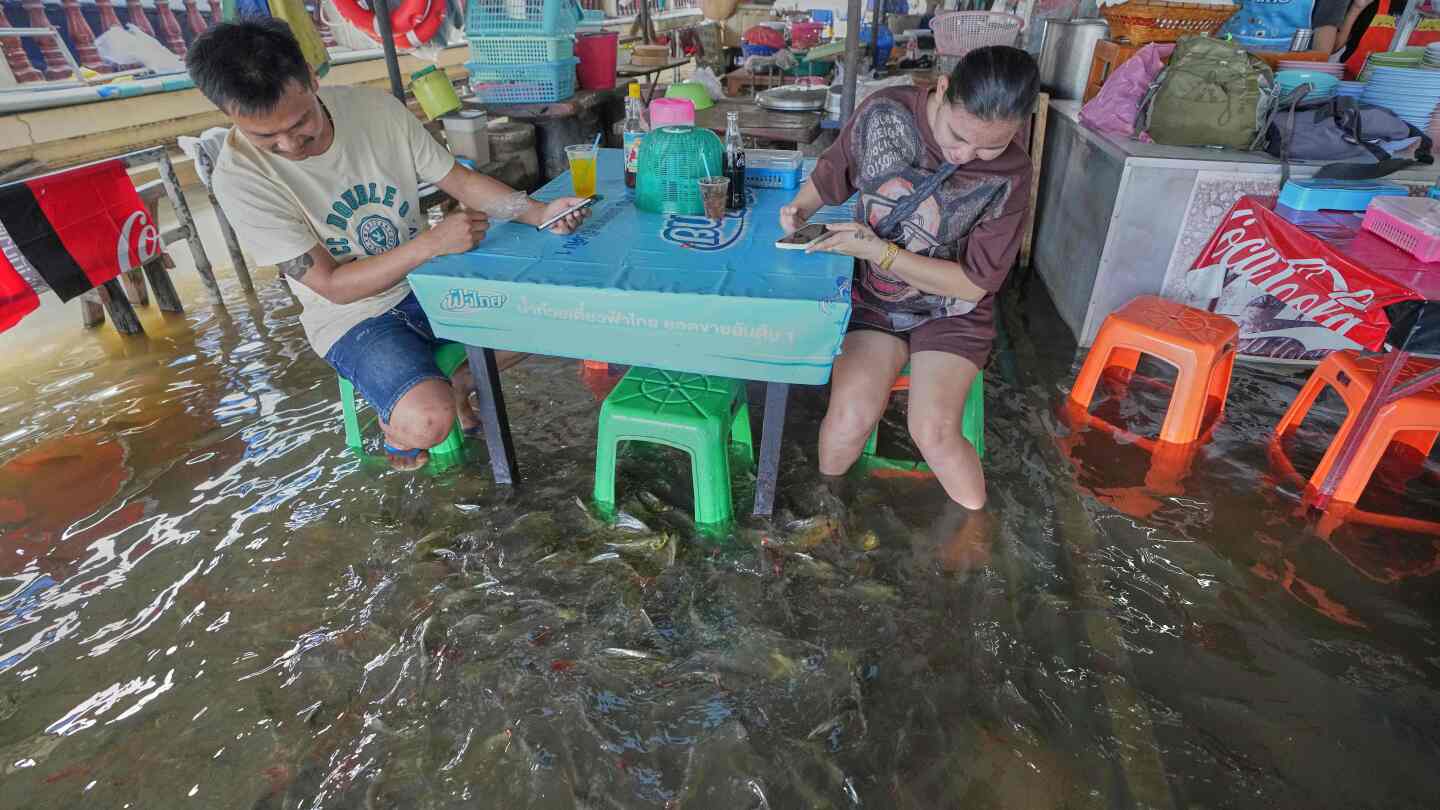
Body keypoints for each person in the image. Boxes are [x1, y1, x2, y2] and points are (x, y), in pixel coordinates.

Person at [187, 19, 590, 470]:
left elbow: (457, 179)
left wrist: (538, 212)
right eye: (266, 137)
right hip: (352, 319)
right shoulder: (239, 179)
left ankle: (457, 382)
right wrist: (432, 244)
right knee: (427, 423)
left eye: (301, 123)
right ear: (229, 114)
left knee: (554, 315)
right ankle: (407, 424)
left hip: (424, 284)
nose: (289, 144)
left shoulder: (375, 111)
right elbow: (334, 287)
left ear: (311, 78)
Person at [779, 45, 1039, 511]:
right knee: (849, 417)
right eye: (959, 137)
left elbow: (974, 284)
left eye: (991, 146)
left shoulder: (1012, 176)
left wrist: (881, 251)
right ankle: (826, 515)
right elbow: (833, 172)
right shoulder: (886, 113)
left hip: (950, 311)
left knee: (932, 431)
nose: (965, 156)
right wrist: (801, 208)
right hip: (876, 301)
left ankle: (976, 541)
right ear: (942, 90)